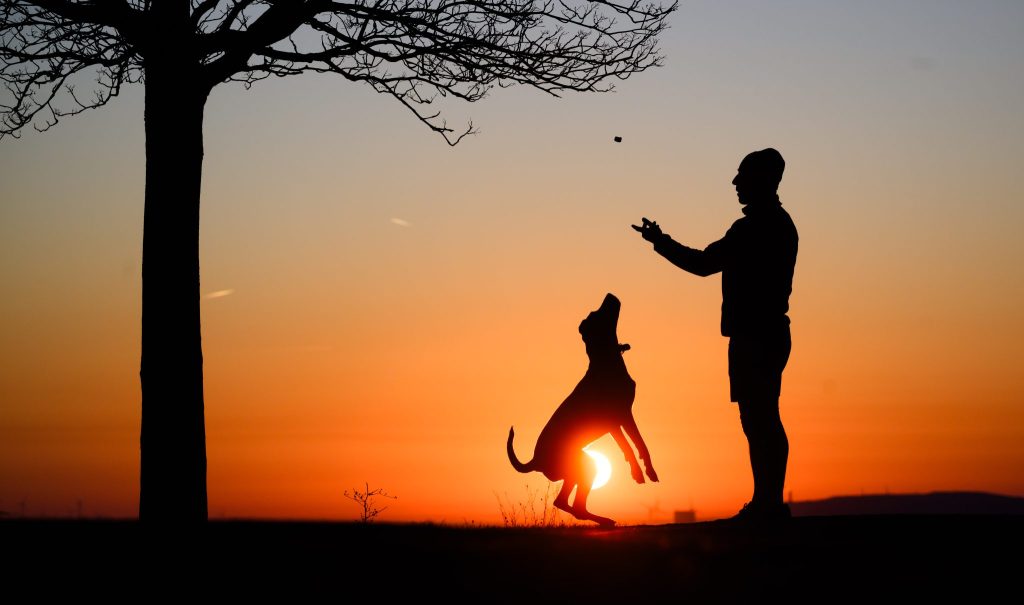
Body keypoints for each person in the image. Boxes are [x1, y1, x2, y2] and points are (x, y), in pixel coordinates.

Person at [633, 148, 798, 521]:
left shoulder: (754, 228)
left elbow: (704, 263)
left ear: (761, 181)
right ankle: (767, 502)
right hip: (766, 333)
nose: (735, 183)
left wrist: (660, 242)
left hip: (756, 336)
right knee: (761, 418)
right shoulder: (777, 224)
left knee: (760, 419)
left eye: (742, 176)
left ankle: (767, 504)